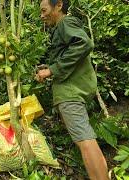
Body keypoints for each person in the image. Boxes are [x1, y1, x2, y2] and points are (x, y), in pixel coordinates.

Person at [36, 0, 109, 179]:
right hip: (75, 88)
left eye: (44, 10)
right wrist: (49, 67)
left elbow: (84, 44)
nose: (42, 15)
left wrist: (52, 70)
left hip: (71, 92)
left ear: (59, 5)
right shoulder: (63, 27)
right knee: (84, 140)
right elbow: (69, 54)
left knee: (85, 141)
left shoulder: (66, 23)